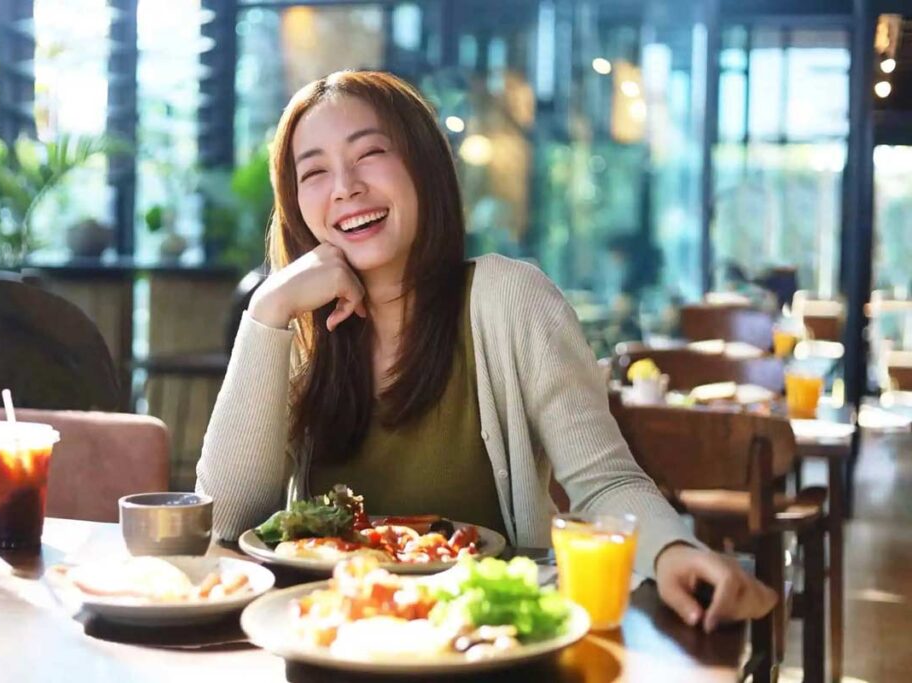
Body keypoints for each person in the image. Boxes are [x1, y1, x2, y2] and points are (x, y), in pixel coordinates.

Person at [196, 70, 776, 633]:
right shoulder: (303, 326)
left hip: (480, 636)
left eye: (369, 153)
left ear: (424, 168)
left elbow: (603, 483)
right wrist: (269, 309)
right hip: (331, 633)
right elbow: (225, 521)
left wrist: (671, 551)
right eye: (314, 171)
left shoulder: (511, 299)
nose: (345, 186)